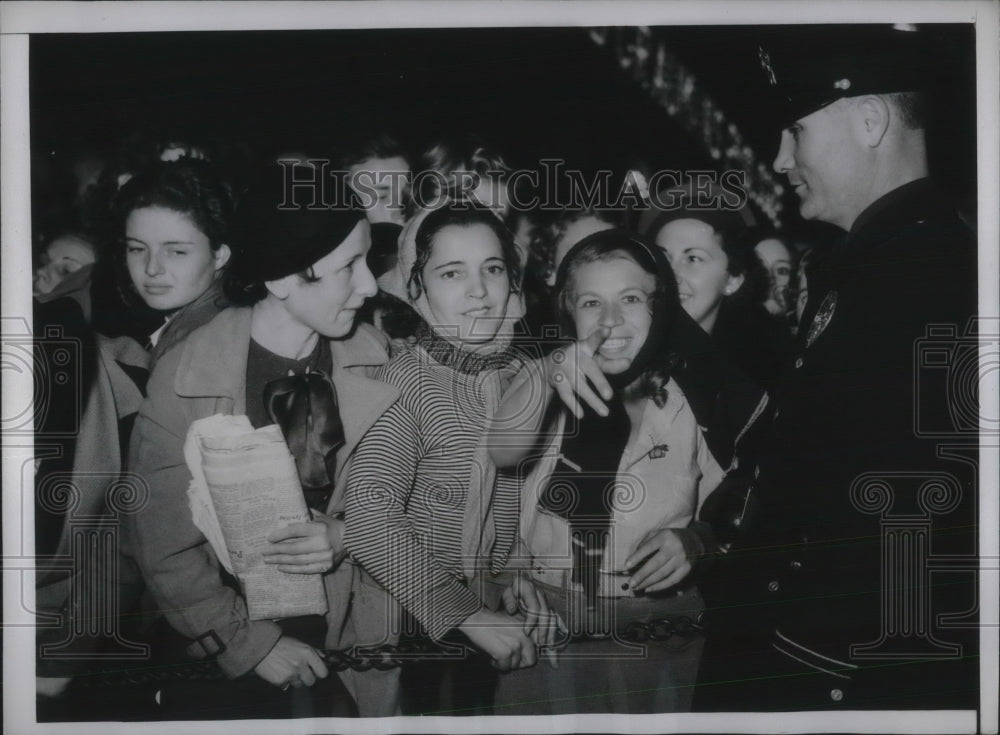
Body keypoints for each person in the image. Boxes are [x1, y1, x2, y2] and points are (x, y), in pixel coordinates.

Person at [694, 26, 978, 711]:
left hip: (822, 670)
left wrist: (807, 658)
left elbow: (908, 501)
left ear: (871, 120)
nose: (780, 157)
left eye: (796, 130)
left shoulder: (929, 272)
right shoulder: (870, 261)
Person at [125, 163, 394, 719]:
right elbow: (162, 546)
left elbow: (418, 498)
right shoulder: (185, 378)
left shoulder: (381, 359)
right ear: (279, 279)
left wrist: (348, 534)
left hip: (356, 635)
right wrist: (251, 646)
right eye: (350, 266)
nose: (370, 285)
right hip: (231, 652)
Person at [488, 230, 726, 714]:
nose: (611, 320)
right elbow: (504, 452)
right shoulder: (542, 386)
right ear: (568, 311)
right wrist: (549, 371)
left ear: (659, 308)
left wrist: (697, 540)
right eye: (592, 302)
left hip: (659, 627)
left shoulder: (698, 400)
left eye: (631, 299)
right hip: (549, 621)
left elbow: (737, 510)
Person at [343, 202, 537, 716]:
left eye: (492, 269)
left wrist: (520, 575)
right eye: (452, 273)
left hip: (498, 614)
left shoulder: (523, 375)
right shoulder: (409, 379)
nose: (478, 291)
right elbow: (368, 515)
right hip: (414, 623)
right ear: (415, 287)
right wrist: (466, 615)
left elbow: (523, 499)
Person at [641, 183, 793, 391]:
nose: (671, 275)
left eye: (693, 258)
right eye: (663, 259)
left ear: (733, 280)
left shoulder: (749, 384)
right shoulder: (623, 356)